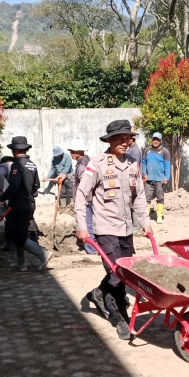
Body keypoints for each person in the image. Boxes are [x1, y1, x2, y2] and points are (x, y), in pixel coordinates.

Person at [75, 120, 153, 340]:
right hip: (105, 229)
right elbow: (82, 195)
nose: (123, 142)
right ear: (109, 140)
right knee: (118, 276)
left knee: (125, 274)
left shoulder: (132, 165)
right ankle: (121, 319)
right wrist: (82, 225)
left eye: (126, 138)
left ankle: (98, 293)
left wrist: (145, 222)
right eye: (118, 138)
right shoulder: (97, 164)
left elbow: (139, 198)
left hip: (126, 229)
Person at [0, 136, 53, 272]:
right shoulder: (32, 164)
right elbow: (36, 185)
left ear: (15, 150)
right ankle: (21, 262)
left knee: (16, 234)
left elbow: (14, 185)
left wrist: (2, 198)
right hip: (29, 203)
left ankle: (43, 254)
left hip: (19, 205)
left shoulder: (17, 165)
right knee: (20, 232)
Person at [68, 138, 97, 255]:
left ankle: (91, 248)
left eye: (72, 151)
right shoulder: (88, 161)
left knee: (87, 224)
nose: (71, 153)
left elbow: (85, 181)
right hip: (89, 199)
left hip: (86, 200)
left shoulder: (81, 166)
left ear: (76, 152)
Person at [142, 132, 171, 224]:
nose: (155, 141)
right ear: (152, 140)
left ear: (161, 140)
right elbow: (143, 163)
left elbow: (167, 165)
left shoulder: (165, 151)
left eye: (157, 139)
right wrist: (144, 174)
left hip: (160, 179)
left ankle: (159, 216)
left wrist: (166, 177)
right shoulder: (147, 150)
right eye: (154, 139)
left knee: (160, 197)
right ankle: (146, 217)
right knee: (146, 198)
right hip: (148, 179)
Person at [0, 155, 15, 251]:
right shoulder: (19, 164)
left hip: (14, 193)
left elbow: (0, 175)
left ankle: (9, 244)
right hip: (25, 195)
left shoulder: (3, 166)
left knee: (9, 219)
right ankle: (33, 241)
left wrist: (1, 190)